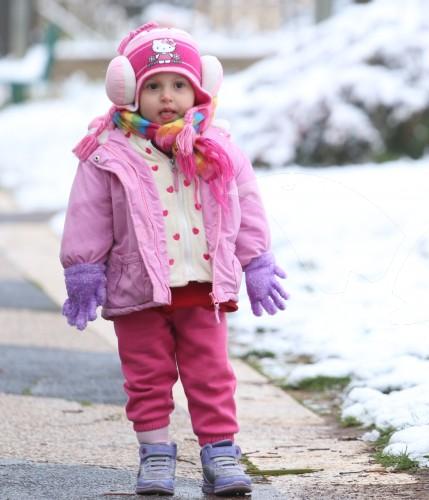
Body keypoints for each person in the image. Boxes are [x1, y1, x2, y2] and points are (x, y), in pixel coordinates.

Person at [60, 22, 289, 496]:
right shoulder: (108, 152)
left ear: (199, 87)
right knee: (146, 377)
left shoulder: (219, 148)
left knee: (212, 375)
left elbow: (244, 206)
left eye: (180, 85)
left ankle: (220, 450)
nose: (168, 96)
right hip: (137, 288)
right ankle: (156, 453)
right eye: (155, 86)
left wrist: (257, 261)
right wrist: (83, 268)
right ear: (129, 91)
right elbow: (89, 214)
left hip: (204, 287)